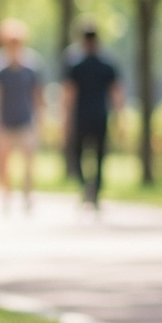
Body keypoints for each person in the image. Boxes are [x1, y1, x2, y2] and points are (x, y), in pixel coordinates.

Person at [63, 23, 125, 209]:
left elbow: (68, 94)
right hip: (100, 116)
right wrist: (120, 117)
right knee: (99, 156)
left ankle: (85, 187)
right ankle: (95, 192)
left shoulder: (75, 64)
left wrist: (65, 119)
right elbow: (117, 94)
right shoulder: (107, 64)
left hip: (80, 117)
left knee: (77, 155)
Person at [0, 19, 44, 214]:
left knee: (28, 161)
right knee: (3, 162)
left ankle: (27, 195)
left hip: (25, 121)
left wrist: (40, 119)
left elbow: (37, 95)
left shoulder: (31, 66)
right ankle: (6, 194)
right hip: (5, 122)